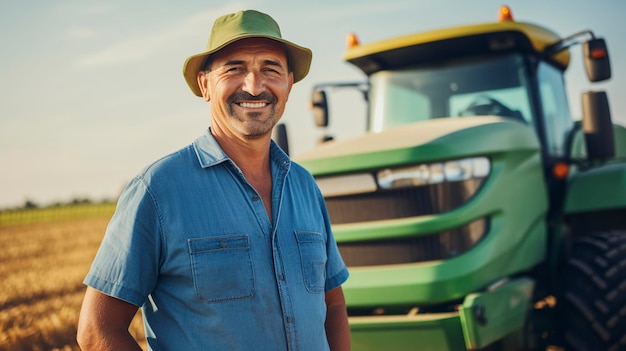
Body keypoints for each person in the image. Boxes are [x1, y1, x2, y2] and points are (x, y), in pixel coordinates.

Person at [76, 9, 350, 351]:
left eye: (271, 69)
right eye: (235, 69)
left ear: (289, 84)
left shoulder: (305, 186)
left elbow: (334, 304)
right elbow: (97, 331)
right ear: (205, 85)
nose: (254, 85)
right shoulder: (158, 190)